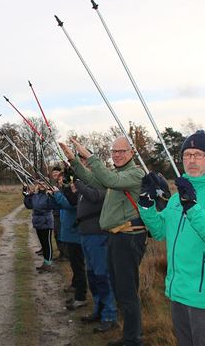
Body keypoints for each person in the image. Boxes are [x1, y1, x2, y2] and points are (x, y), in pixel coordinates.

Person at [138, 130, 205, 346]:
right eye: (187, 155)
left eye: (198, 154)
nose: (191, 160)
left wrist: (193, 207)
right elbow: (159, 231)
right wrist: (146, 206)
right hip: (178, 293)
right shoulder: (177, 198)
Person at [60, 137, 145, 346]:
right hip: (115, 236)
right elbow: (92, 180)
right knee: (118, 289)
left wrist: (90, 156)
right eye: (114, 151)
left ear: (132, 153)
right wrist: (74, 161)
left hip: (129, 237)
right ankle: (128, 336)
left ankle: (133, 340)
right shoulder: (117, 174)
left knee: (127, 292)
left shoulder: (135, 174)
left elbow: (109, 181)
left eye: (121, 151)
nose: (116, 154)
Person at [74, 155, 118, 334]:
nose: (84, 166)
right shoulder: (85, 186)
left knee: (102, 276)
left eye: (86, 163)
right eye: (81, 163)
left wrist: (78, 183)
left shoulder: (102, 185)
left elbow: (93, 197)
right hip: (85, 235)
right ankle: (98, 309)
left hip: (98, 237)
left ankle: (109, 315)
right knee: (91, 276)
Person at [52, 179, 88, 311]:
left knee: (78, 268)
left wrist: (57, 194)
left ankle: (81, 297)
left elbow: (68, 205)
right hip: (70, 236)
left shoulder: (78, 197)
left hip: (75, 237)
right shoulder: (73, 195)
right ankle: (77, 293)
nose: (71, 186)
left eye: (73, 184)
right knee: (75, 266)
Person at [23, 179, 57, 272]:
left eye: (43, 183)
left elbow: (53, 205)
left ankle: (48, 264)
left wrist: (52, 195)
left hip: (46, 222)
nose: (41, 185)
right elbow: (29, 205)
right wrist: (27, 195)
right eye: (40, 183)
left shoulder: (49, 195)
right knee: (42, 243)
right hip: (37, 222)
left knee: (47, 244)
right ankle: (45, 262)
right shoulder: (35, 195)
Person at [50, 167, 67, 260]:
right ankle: (61, 253)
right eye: (53, 173)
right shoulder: (55, 185)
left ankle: (65, 254)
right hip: (56, 213)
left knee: (61, 234)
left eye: (57, 172)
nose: (55, 174)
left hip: (62, 213)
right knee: (57, 233)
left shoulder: (64, 185)